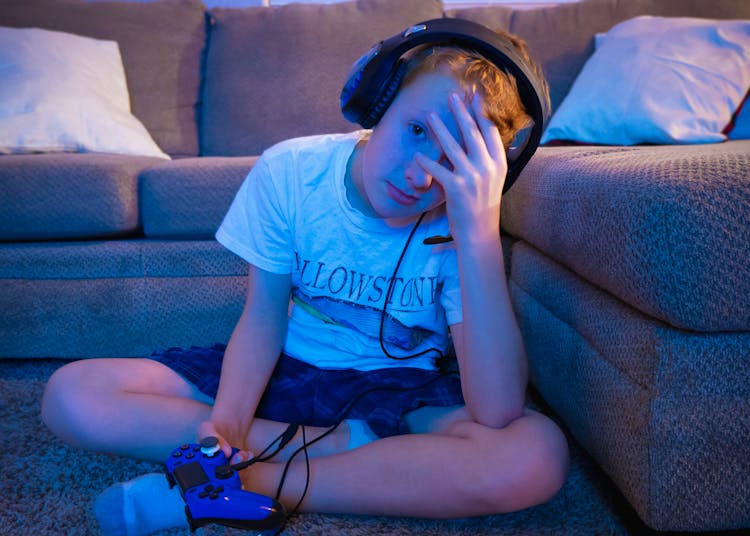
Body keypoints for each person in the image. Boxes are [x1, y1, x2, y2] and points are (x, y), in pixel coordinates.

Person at [41, 20, 569, 536]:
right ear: (378, 102)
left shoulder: (462, 217)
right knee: (72, 392)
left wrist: (477, 232)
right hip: (283, 370)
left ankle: (245, 482)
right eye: (416, 132)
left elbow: (496, 410)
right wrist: (226, 427)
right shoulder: (290, 171)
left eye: (455, 159)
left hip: (398, 391)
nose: (420, 176)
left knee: (535, 454)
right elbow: (262, 320)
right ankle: (349, 451)